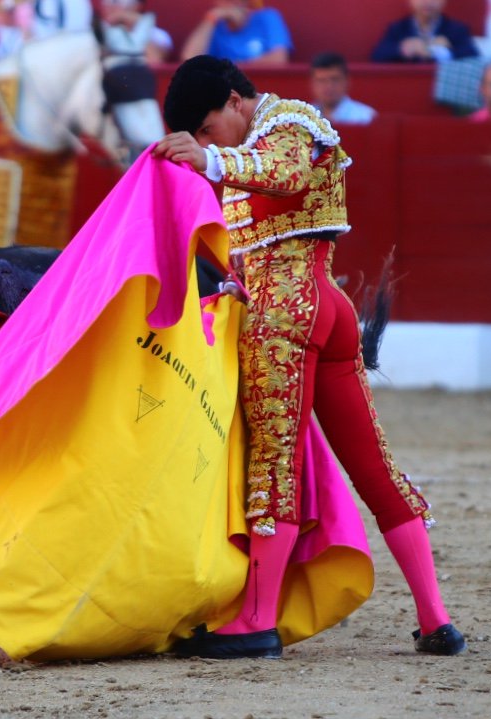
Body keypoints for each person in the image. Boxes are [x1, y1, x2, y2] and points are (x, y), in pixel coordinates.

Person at [153, 55, 466, 659]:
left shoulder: (292, 122)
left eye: (210, 129)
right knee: (370, 466)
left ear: (235, 103)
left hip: (285, 317)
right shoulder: (249, 144)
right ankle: (435, 621)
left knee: (276, 466)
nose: (209, 146)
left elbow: (287, 172)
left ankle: (258, 622)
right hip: (319, 306)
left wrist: (213, 159)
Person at [96, 0, 171, 158]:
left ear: (136, 6)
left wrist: (133, 21)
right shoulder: (94, 32)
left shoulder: (155, 33)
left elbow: (155, 59)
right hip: (108, 111)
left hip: (143, 106)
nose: (113, 7)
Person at [181, 0, 292, 65]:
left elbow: (278, 59)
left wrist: (231, 69)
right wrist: (212, 17)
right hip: (226, 92)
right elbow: (190, 60)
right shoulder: (215, 27)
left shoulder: (267, 17)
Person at [370, 0, 479, 63]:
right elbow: (378, 55)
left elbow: (473, 58)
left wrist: (440, 52)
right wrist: (404, 49)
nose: (427, 2)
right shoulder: (398, 28)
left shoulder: (456, 29)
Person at [310, 51, 376, 125]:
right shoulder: (305, 117)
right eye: (321, 80)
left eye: (335, 79)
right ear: (312, 83)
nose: (328, 86)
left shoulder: (366, 117)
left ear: (347, 81)